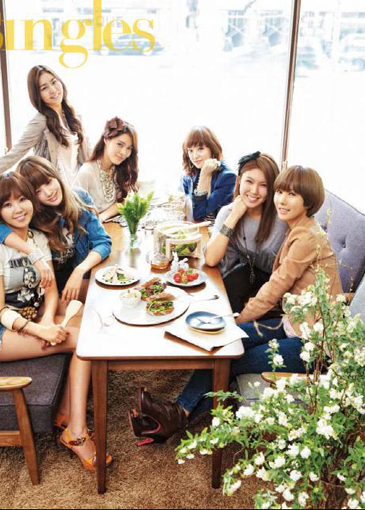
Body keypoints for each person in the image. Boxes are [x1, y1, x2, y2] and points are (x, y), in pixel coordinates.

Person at [128, 165, 343, 443]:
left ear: (309, 200)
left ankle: (175, 415)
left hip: (314, 343)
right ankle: (173, 416)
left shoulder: (307, 238)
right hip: (293, 324)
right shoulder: (298, 229)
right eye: (279, 192)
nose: (281, 200)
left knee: (233, 356)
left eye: (292, 194)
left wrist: (239, 319)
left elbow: (275, 287)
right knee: (224, 341)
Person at [0, 172, 111, 470]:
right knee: (83, 340)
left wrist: (48, 319)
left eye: (22, 199)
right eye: (7, 204)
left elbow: (50, 292)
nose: (18, 208)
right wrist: (40, 330)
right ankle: (76, 433)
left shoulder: (37, 239)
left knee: (90, 319)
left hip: (32, 315)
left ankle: (65, 411)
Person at [0, 156, 112, 302]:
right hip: (53, 290)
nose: (48, 193)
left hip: (82, 276)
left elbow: (103, 242)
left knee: (111, 292)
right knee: (103, 297)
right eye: (37, 191)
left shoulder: (79, 197)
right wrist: (31, 252)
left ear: (56, 175)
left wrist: (79, 270)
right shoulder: (32, 216)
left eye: (48, 182)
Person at [0, 65, 89, 192]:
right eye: (44, 88)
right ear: (37, 95)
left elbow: (87, 155)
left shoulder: (73, 115)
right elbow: (14, 155)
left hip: (78, 188)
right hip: (55, 190)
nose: (53, 90)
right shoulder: (41, 120)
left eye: (54, 82)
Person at [205, 151, 288, 313]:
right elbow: (211, 259)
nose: (254, 191)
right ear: (239, 181)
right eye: (249, 181)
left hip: (280, 286)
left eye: (263, 185)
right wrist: (234, 216)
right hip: (249, 276)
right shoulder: (228, 213)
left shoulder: (282, 218)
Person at [74, 117, 139, 222]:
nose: (123, 152)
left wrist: (103, 216)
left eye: (129, 148)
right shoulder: (87, 172)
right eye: (119, 144)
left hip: (112, 226)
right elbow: (74, 211)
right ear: (106, 140)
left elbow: (123, 202)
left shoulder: (119, 168)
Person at [181, 126, 236, 221]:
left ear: (212, 148)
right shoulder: (189, 176)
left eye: (200, 149)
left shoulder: (228, 177)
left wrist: (204, 175)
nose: (195, 156)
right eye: (190, 150)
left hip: (220, 228)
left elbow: (199, 214)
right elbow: (187, 210)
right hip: (196, 226)